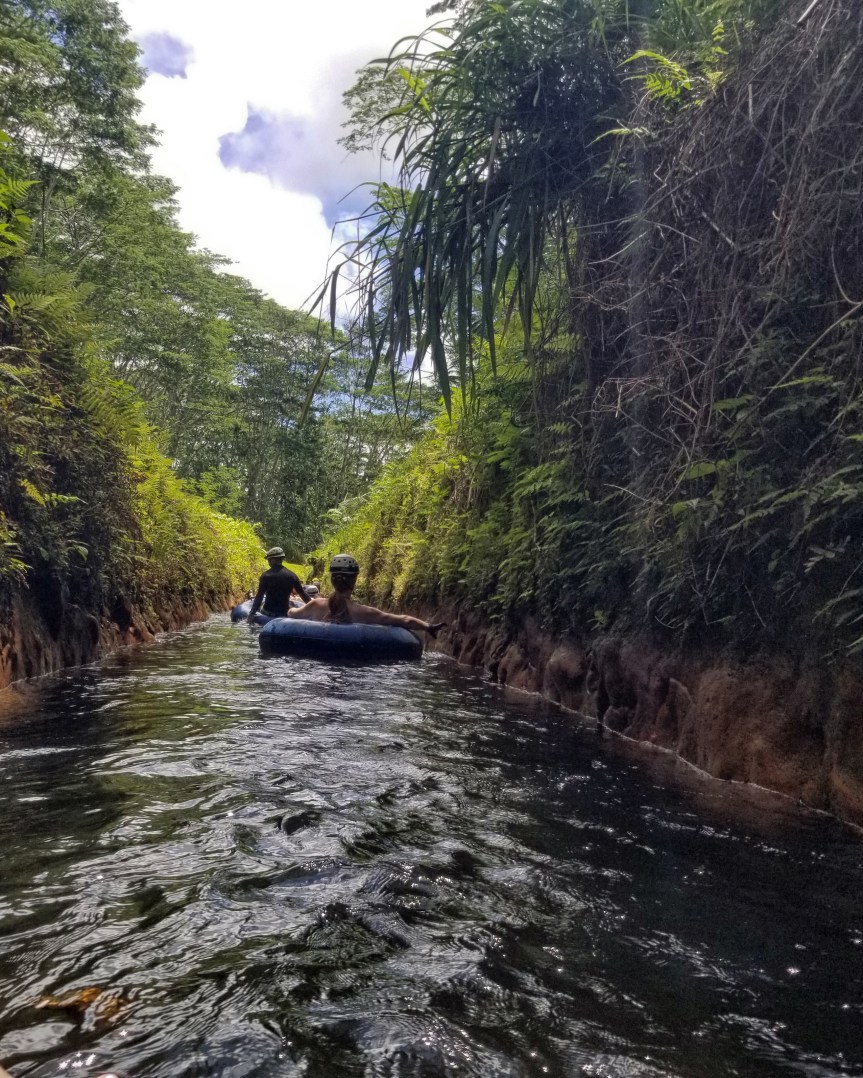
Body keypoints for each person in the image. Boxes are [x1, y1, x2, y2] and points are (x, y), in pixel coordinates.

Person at [286, 554, 445, 637]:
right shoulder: (366, 612)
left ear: (332, 580)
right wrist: (428, 627)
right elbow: (404, 620)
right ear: (354, 581)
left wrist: (290, 609)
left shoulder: (315, 605)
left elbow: (292, 615)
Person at [248, 547, 310, 621]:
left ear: (273, 560)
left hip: (268, 612)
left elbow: (259, 597)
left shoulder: (266, 576)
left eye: (269, 560)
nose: (268, 562)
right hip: (284, 613)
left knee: (262, 605)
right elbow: (303, 594)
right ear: (281, 559)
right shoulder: (292, 576)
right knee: (291, 604)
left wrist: (251, 614)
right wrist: (313, 608)